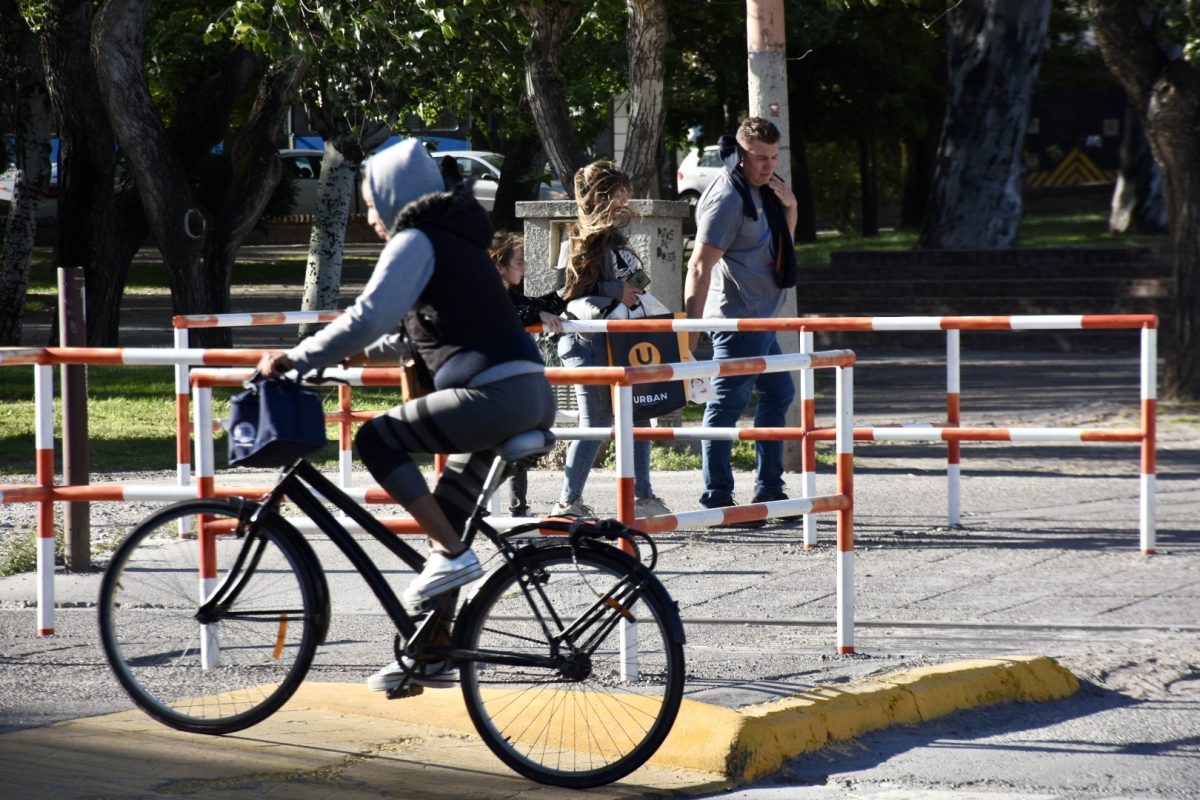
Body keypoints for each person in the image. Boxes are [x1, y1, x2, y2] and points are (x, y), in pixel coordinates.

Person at [256, 139, 556, 691]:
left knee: (377, 441)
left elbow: (367, 314)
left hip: (492, 398)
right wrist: (360, 353)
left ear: (396, 197)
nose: (369, 217)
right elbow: (422, 330)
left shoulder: (415, 238)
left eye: (372, 203)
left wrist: (297, 357)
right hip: (527, 391)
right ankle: (433, 653)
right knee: (447, 514)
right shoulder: (456, 241)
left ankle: (453, 555)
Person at [682, 117, 799, 522]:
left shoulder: (766, 189)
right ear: (740, 154)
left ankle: (769, 488)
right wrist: (691, 332)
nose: (768, 166)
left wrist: (792, 205)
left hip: (762, 319)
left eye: (774, 156)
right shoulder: (728, 198)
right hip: (736, 320)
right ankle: (716, 496)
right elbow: (698, 265)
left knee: (779, 394)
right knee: (726, 406)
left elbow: (781, 242)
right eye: (760, 158)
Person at [552, 160, 671, 519]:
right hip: (587, 342)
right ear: (600, 196)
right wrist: (615, 289)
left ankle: (645, 499)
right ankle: (567, 503)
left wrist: (633, 287)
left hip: (620, 340)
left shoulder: (616, 237)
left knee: (639, 414)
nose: (624, 200)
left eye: (625, 192)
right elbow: (565, 291)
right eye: (617, 193)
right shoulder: (576, 237)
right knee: (597, 424)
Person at [489, 231, 565, 517]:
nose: (524, 268)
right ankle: (486, 506)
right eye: (519, 262)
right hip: (492, 381)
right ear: (500, 266)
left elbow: (532, 305)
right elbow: (509, 314)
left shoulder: (507, 294)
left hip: (508, 381)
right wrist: (536, 314)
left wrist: (565, 293)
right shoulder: (486, 295)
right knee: (511, 445)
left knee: (517, 442)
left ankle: (516, 508)